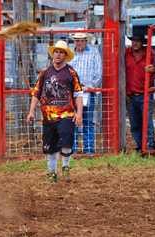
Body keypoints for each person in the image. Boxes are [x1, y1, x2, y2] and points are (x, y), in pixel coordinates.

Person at [26, 40, 83, 182]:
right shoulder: (44, 73)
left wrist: (79, 113)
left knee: (66, 140)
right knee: (49, 147)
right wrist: (31, 111)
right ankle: (52, 173)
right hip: (48, 117)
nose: (58, 55)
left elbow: (78, 94)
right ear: (53, 54)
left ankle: (65, 167)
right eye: (56, 52)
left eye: (61, 52)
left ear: (65, 55)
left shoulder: (71, 73)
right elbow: (36, 93)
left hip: (66, 114)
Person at [69, 32, 102, 154]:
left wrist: (91, 86)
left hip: (88, 91)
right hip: (73, 92)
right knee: (72, 120)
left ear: (86, 40)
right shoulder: (70, 54)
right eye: (77, 40)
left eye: (82, 40)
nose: (79, 42)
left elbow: (98, 73)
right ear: (74, 41)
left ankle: (89, 149)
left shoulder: (93, 52)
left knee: (88, 120)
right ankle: (73, 149)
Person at [125, 34, 155, 152]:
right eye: (133, 40)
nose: (135, 43)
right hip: (131, 94)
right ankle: (140, 145)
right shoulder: (127, 53)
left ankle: (150, 145)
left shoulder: (150, 54)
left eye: (137, 41)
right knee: (134, 123)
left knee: (147, 120)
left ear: (142, 42)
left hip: (145, 93)